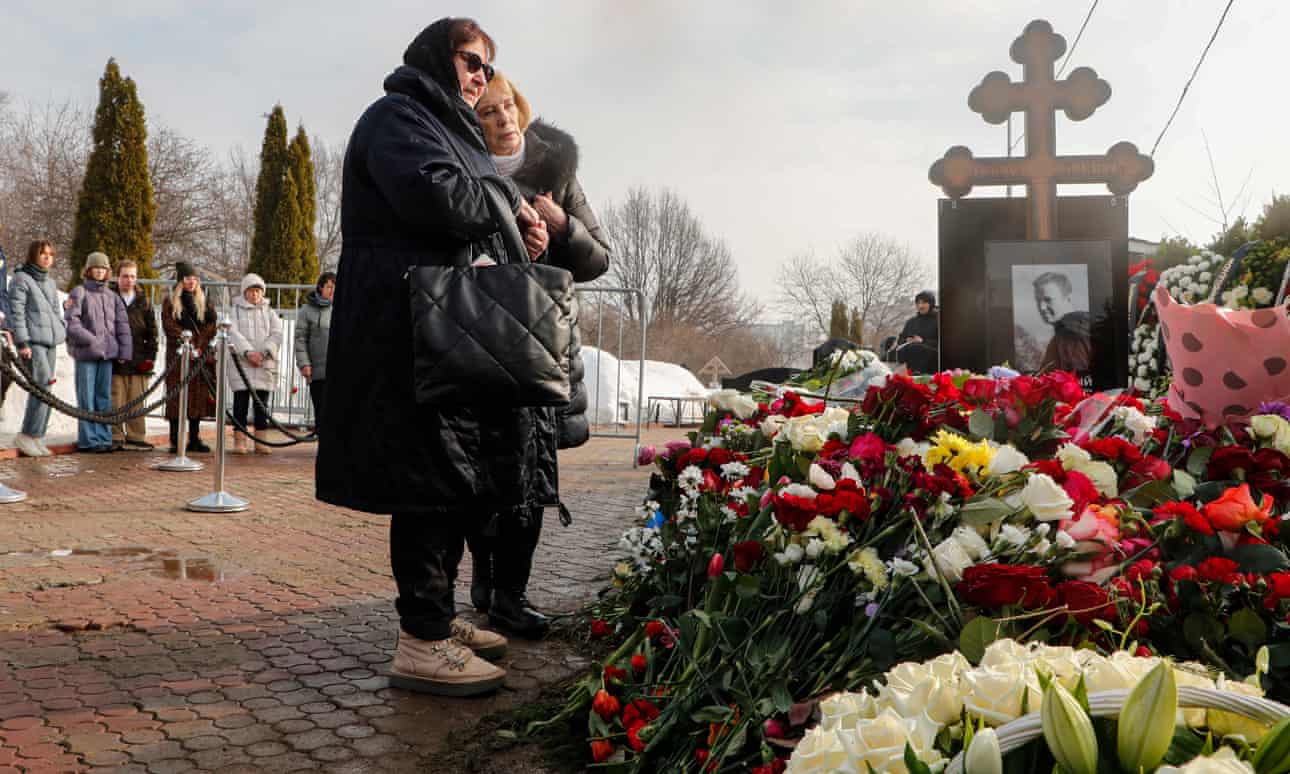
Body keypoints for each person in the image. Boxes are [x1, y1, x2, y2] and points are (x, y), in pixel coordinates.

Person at [316, 17, 553, 697]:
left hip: (440, 327)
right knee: (425, 482)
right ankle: (420, 639)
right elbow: (439, 199)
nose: (480, 77)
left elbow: (473, 214)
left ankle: (438, 618)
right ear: (437, 56)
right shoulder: (399, 117)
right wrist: (509, 200)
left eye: (487, 67)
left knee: (451, 479)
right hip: (401, 327)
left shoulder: (448, 127)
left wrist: (521, 234)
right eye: (471, 61)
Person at [469, 72, 610, 637]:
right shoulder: (463, 166)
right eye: (488, 113)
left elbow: (598, 258)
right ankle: (483, 573)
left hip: (542, 342)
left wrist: (562, 226)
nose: (503, 120)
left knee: (533, 474)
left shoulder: (558, 171)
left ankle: (512, 595)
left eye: (508, 107)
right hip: (478, 338)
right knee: (480, 474)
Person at [64, 252, 132, 453]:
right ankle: (89, 440)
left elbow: (122, 325)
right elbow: (72, 323)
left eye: (103, 268)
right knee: (86, 397)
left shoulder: (112, 297)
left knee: (104, 397)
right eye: (96, 267)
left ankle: (103, 438)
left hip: (107, 355)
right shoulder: (79, 292)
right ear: (89, 269)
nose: (100, 271)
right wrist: (92, 341)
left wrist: (123, 350)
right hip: (87, 354)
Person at [10, 240, 67, 457]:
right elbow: (17, 312)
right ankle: (26, 434)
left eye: (50, 254)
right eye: (43, 254)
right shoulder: (21, 279)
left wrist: (60, 329)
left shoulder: (50, 283)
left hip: (49, 342)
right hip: (33, 342)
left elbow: (54, 311)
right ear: (34, 255)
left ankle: (36, 436)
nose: (47, 258)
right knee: (40, 387)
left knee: (47, 389)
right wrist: (22, 342)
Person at [162, 261, 217, 454]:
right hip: (177, 357)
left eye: (194, 279)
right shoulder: (170, 302)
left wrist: (200, 343)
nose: (191, 282)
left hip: (199, 355)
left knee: (197, 397)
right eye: (187, 278)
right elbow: (169, 326)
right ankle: (175, 439)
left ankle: (194, 438)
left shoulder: (204, 301)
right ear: (180, 281)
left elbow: (212, 324)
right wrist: (188, 340)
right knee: (177, 397)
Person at [227, 273, 281, 455]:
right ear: (245, 292)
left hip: (264, 364)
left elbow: (276, 334)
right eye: (251, 291)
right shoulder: (234, 311)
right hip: (242, 364)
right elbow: (232, 333)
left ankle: (261, 440)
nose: (254, 295)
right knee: (240, 404)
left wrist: (264, 352)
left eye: (258, 291)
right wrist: (248, 353)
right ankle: (239, 441)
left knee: (261, 405)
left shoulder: (270, 312)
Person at [111, 260, 158, 450]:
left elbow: (152, 332)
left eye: (132, 276)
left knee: (136, 400)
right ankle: (115, 435)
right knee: (116, 398)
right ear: (118, 277)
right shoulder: (111, 298)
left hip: (138, 357)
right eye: (125, 276)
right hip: (116, 358)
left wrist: (150, 357)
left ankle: (136, 434)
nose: (129, 280)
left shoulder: (143, 301)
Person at [293, 271, 334, 426]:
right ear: (320, 288)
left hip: (339, 371)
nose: (332, 290)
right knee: (321, 410)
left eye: (335, 287)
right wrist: (304, 364)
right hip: (317, 371)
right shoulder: (307, 311)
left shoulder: (343, 309)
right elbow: (300, 339)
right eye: (329, 286)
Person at [1033, 271, 1091, 374]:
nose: (1042, 307)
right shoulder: (1079, 328)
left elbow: (1077, 382)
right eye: (1038, 300)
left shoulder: (1071, 334)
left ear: (1068, 298)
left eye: (1048, 300)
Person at [894, 290, 939, 374]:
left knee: (916, 348)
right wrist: (906, 341)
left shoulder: (939, 320)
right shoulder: (911, 322)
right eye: (918, 303)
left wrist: (923, 341)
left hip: (933, 355)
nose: (920, 306)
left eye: (924, 303)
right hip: (910, 353)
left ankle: (917, 375)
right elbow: (901, 339)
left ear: (931, 304)